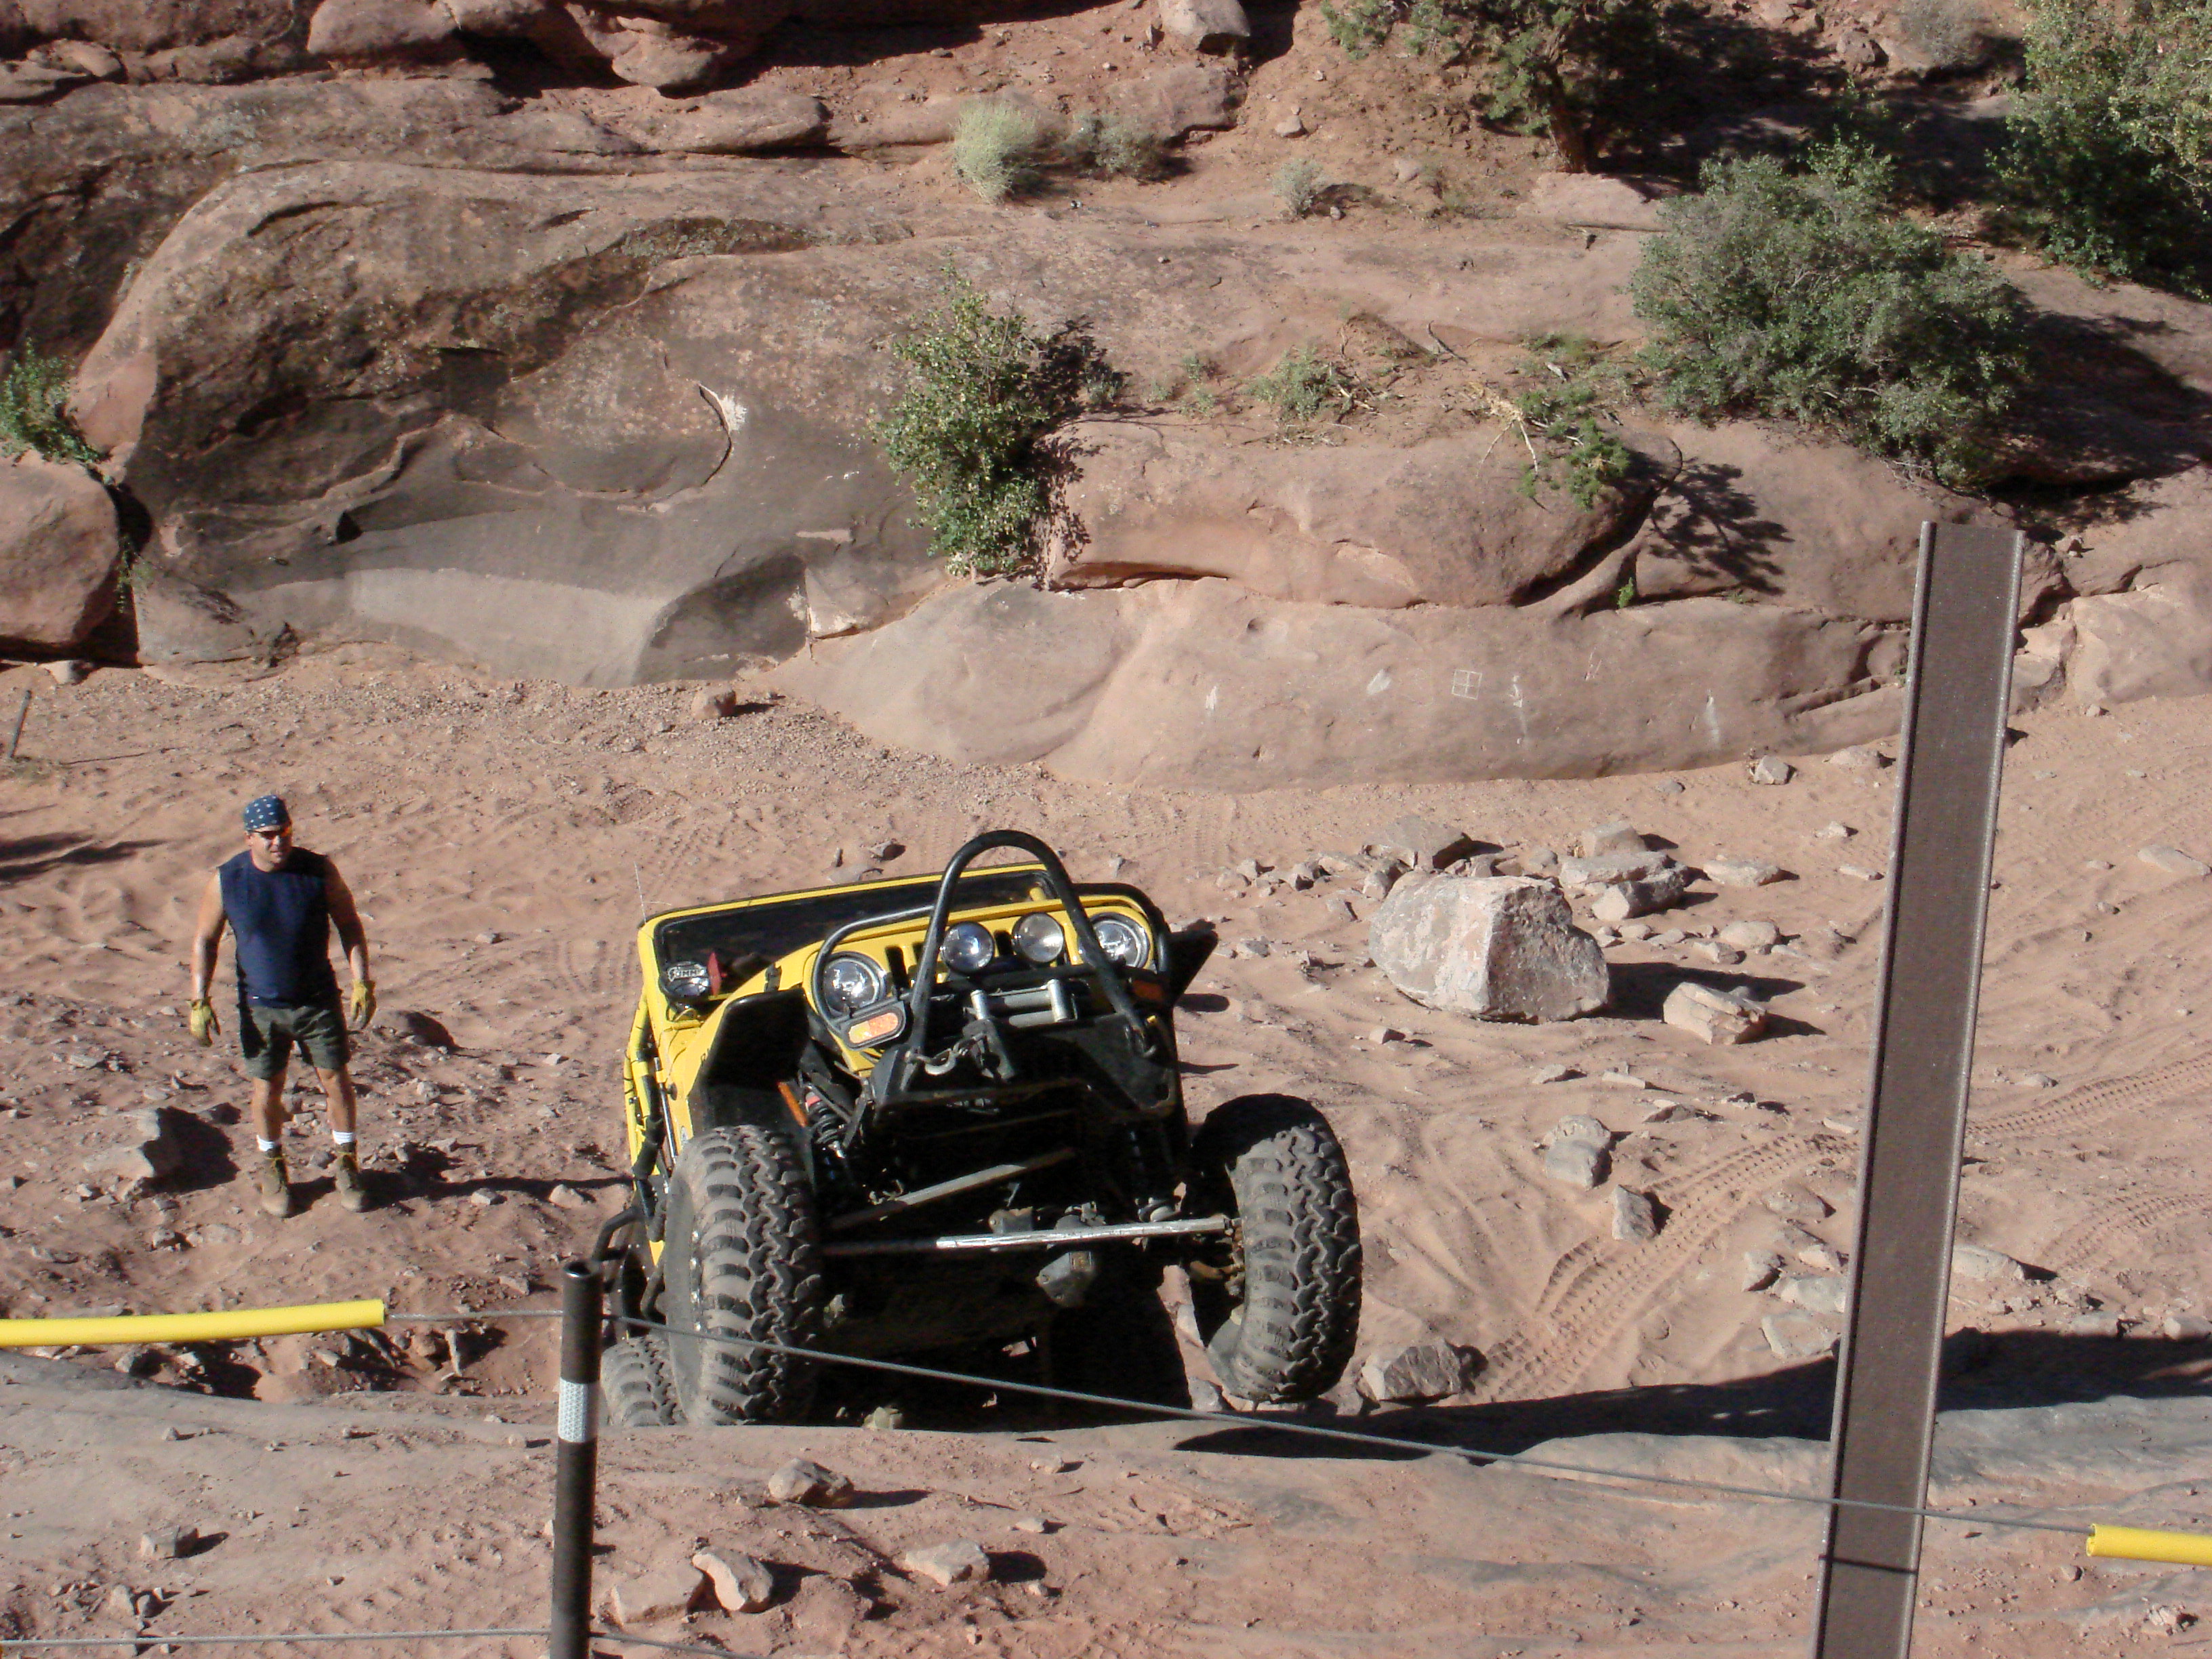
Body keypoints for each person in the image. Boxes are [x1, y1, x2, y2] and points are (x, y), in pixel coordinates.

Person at [186, 794, 376, 1218]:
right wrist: (199, 1000)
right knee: (267, 1087)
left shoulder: (317, 870)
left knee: (336, 1079)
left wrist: (362, 981)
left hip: (318, 1001)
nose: (279, 843)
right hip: (260, 1007)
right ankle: (273, 1167)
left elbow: (349, 923)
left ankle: (347, 1164)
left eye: (285, 833)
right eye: (269, 835)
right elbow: (205, 940)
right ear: (249, 837)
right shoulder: (228, 880)